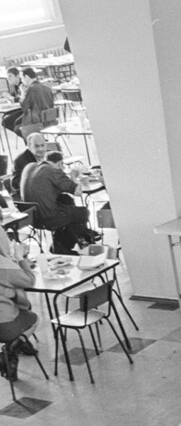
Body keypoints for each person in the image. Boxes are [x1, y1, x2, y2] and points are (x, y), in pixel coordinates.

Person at [21, 150, 96, 252]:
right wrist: (74, 176)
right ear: (60, 163)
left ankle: (75, 235)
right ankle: (62, 245)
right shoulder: (53, 170)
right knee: (83, 212)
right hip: (48, 217)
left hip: (31, 217)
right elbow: (77, 192)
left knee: (66, 199)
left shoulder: (30, 167)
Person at [0, 226, 38, 382]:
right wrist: (20, 258)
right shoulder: (4, 266)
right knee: (33, 318)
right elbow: (30, 280)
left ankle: (16, 348)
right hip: (4, 325)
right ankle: (12, 349)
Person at [17, 69, 56, 140]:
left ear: (26, 77)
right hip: (50, 120)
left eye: (22, 78)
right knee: (17, 123)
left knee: (16, 128)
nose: (21, 81)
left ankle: (33, 143)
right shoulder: (47, 88)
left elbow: (24, 107)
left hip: (37, 123)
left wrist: (23, 93)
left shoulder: (31, 89)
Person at [1, 67, 21, 140]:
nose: (8, 78)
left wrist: (10, 98)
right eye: (7, 76)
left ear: (17, 76)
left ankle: (18, 138)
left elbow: (21, 100)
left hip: (24, 110)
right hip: (19, 109)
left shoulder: (22, 85)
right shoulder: (14, 86)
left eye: (10, 76)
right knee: (6, 118)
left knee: (6, 121)